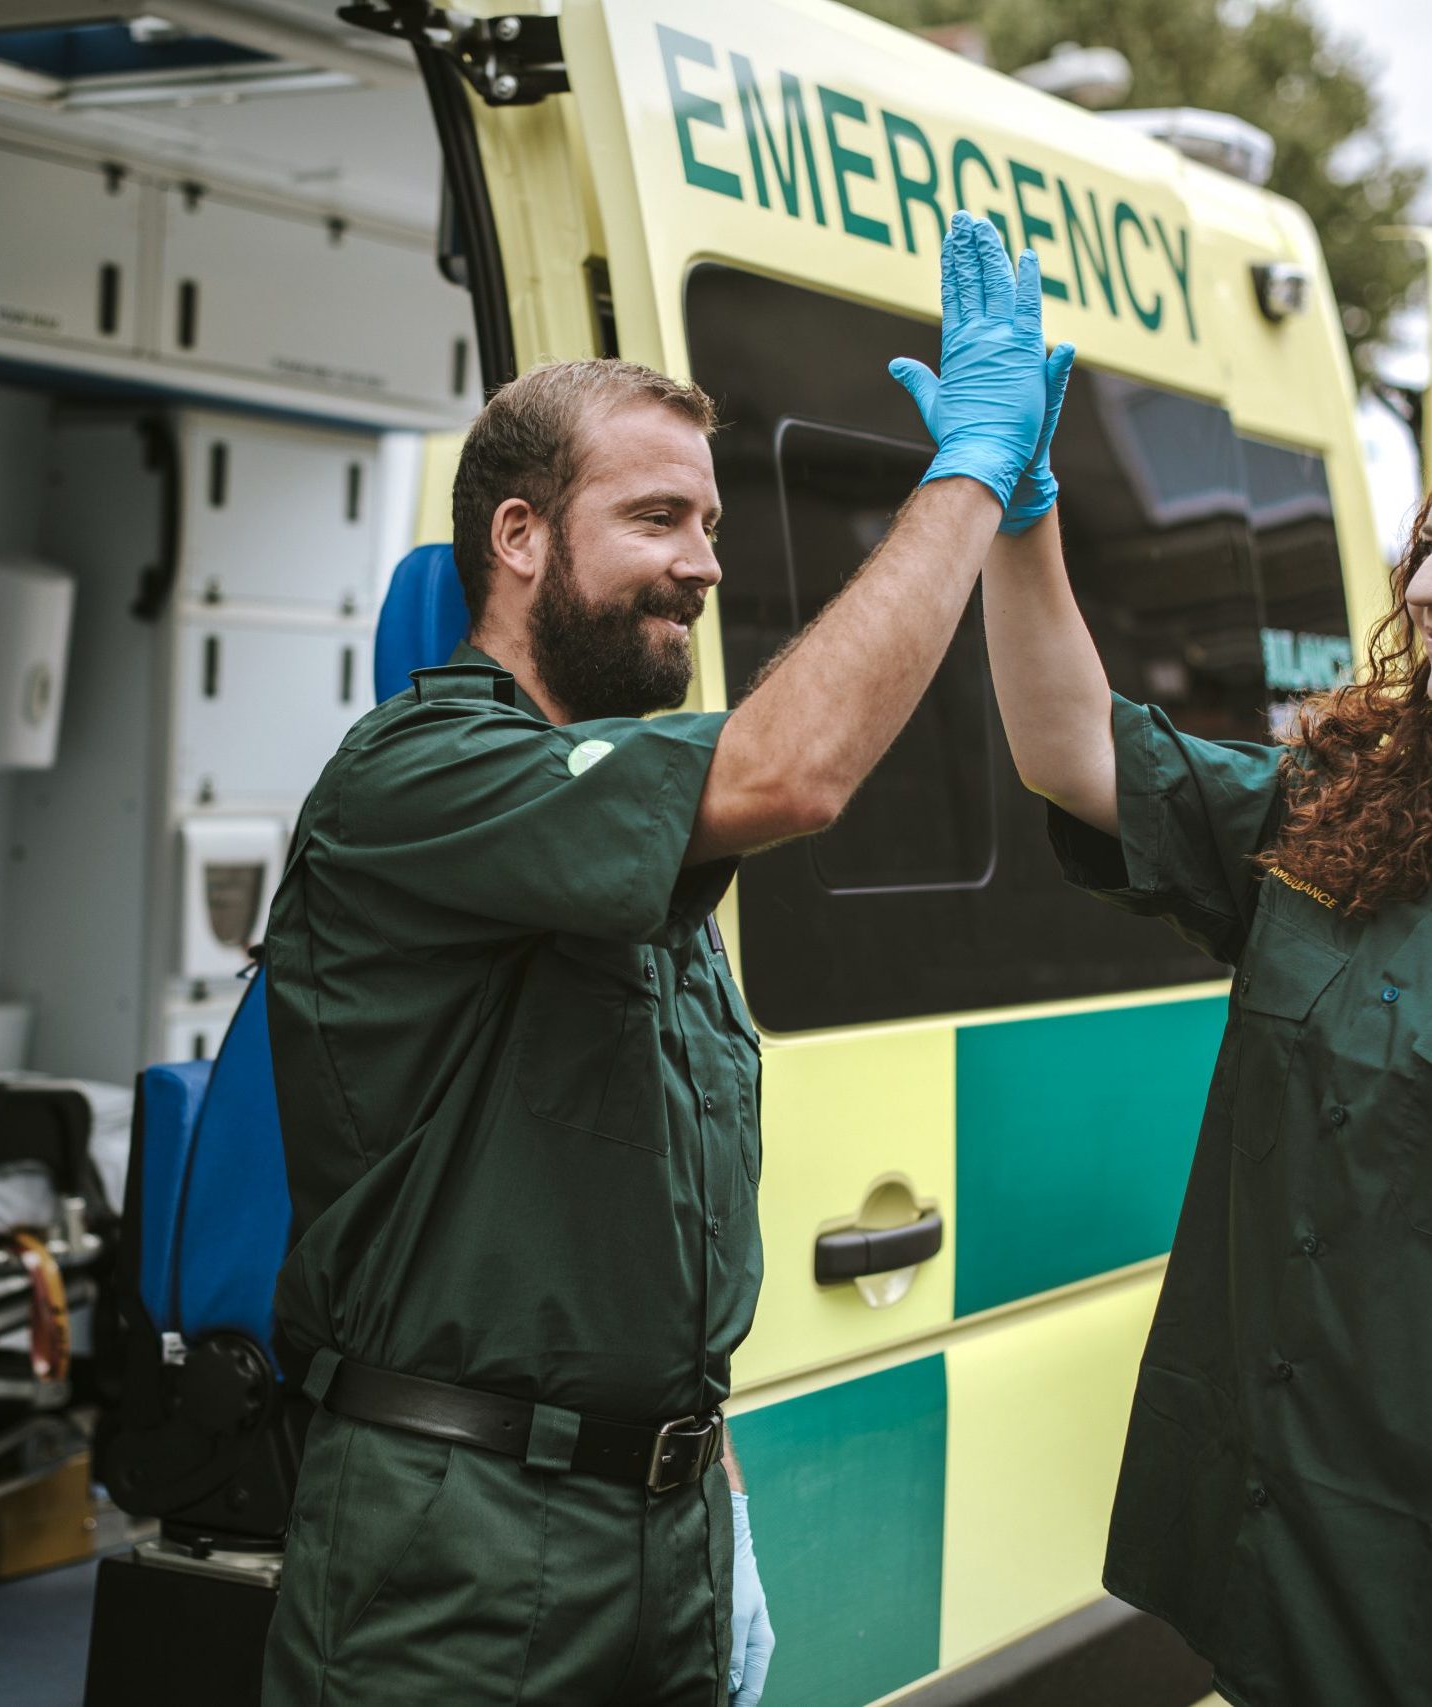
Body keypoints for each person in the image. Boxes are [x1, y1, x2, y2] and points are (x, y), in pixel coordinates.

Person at [260, 210, 1052, 1706]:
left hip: (665, 1530)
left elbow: (638, 1230)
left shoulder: (628, 814)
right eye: (655, 521)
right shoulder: (416, 777)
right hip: (459, 1551)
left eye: (710, 525)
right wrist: (968, 478)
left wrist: (711, 1488)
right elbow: (793, 772)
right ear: (517, 539)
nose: (702, 566)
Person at [981, 384, 1432, 1700]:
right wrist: (1022, 518)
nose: (1420, 593)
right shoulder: (1335, 814)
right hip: (1287, 1557)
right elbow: (1076, 753)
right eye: (1425, 551)